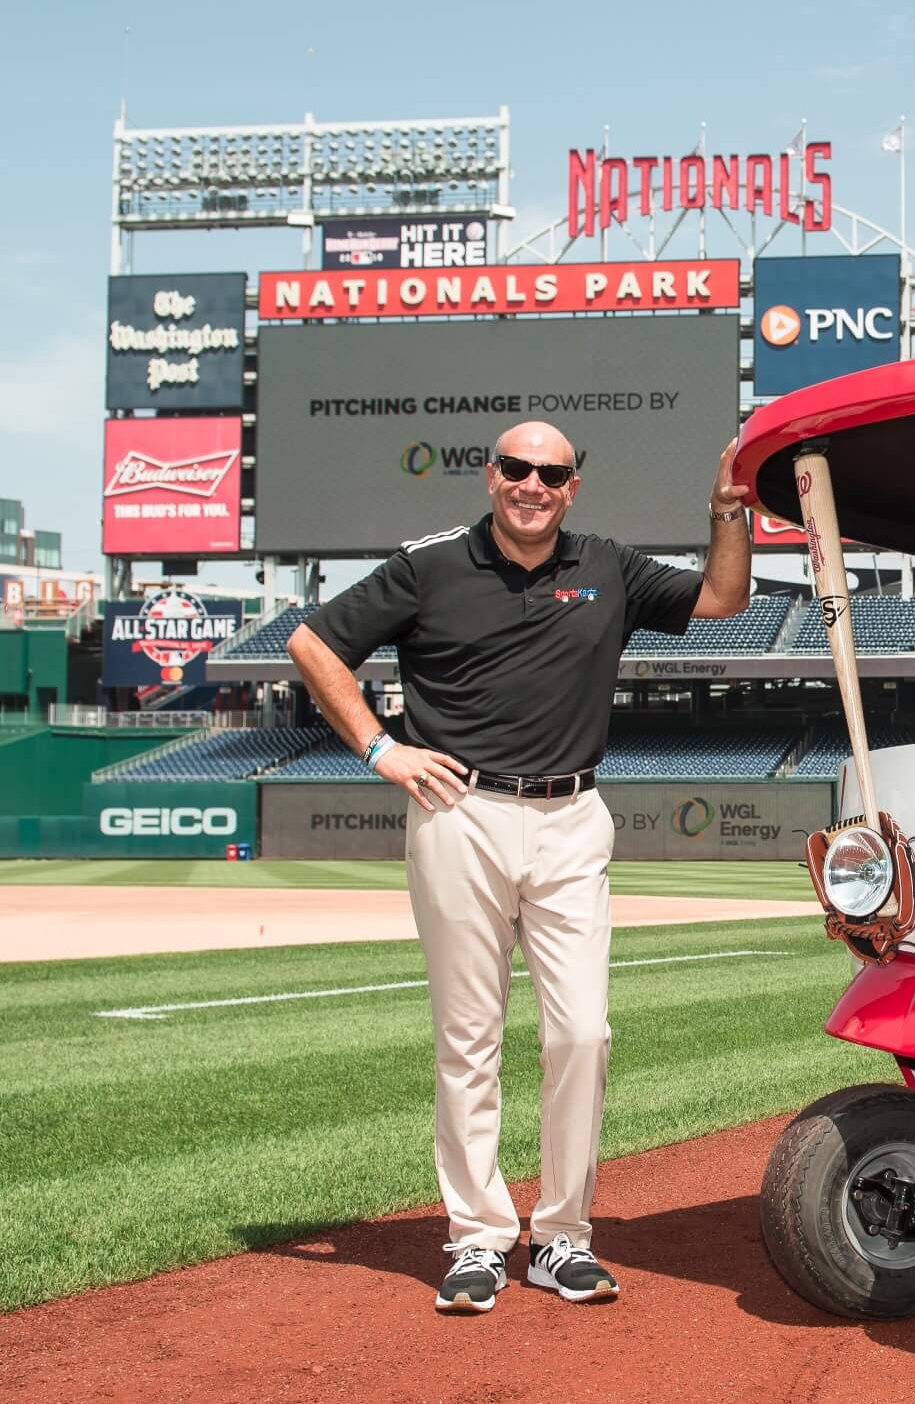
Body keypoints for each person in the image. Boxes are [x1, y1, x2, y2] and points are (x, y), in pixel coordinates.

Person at [290, 423, 752, 1311]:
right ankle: (475, 1237)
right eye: (515, 468)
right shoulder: (429, 565)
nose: (531, 484)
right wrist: (382, 748)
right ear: (489, 474)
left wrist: (724, 510)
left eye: (551, 472)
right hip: (459, 811)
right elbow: (314, 643)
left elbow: (725, 599)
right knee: (469, 1039)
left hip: (573, 816)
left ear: (572, 486)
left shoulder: (608, 564)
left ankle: (563, 1235)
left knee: (582, 1033)